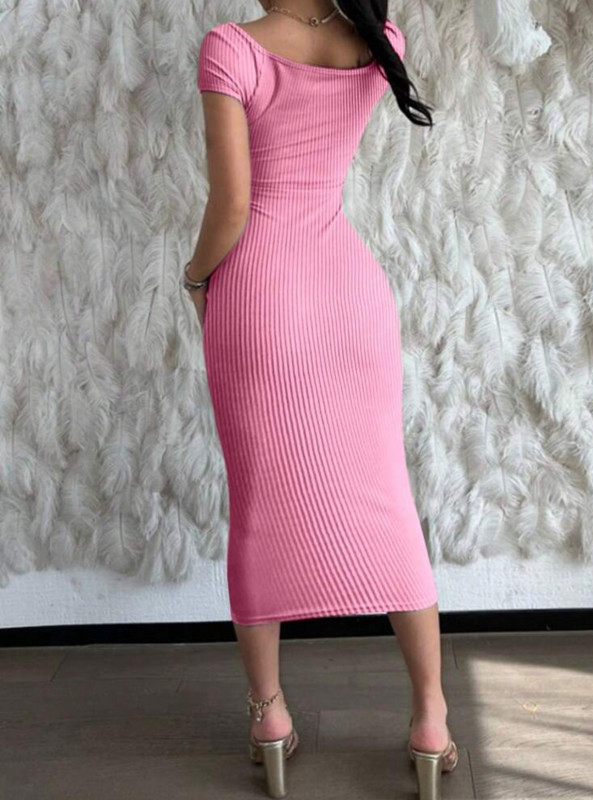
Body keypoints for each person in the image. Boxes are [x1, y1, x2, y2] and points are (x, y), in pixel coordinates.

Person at [187, 2, 457, 797]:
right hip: (351, 292)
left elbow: (233, 205)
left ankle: (269, 715)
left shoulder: (231, 48)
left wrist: (195, 278)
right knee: (387, 498)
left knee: (260, 502)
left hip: (258, 294)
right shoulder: (379, 41)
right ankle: (431, 718)